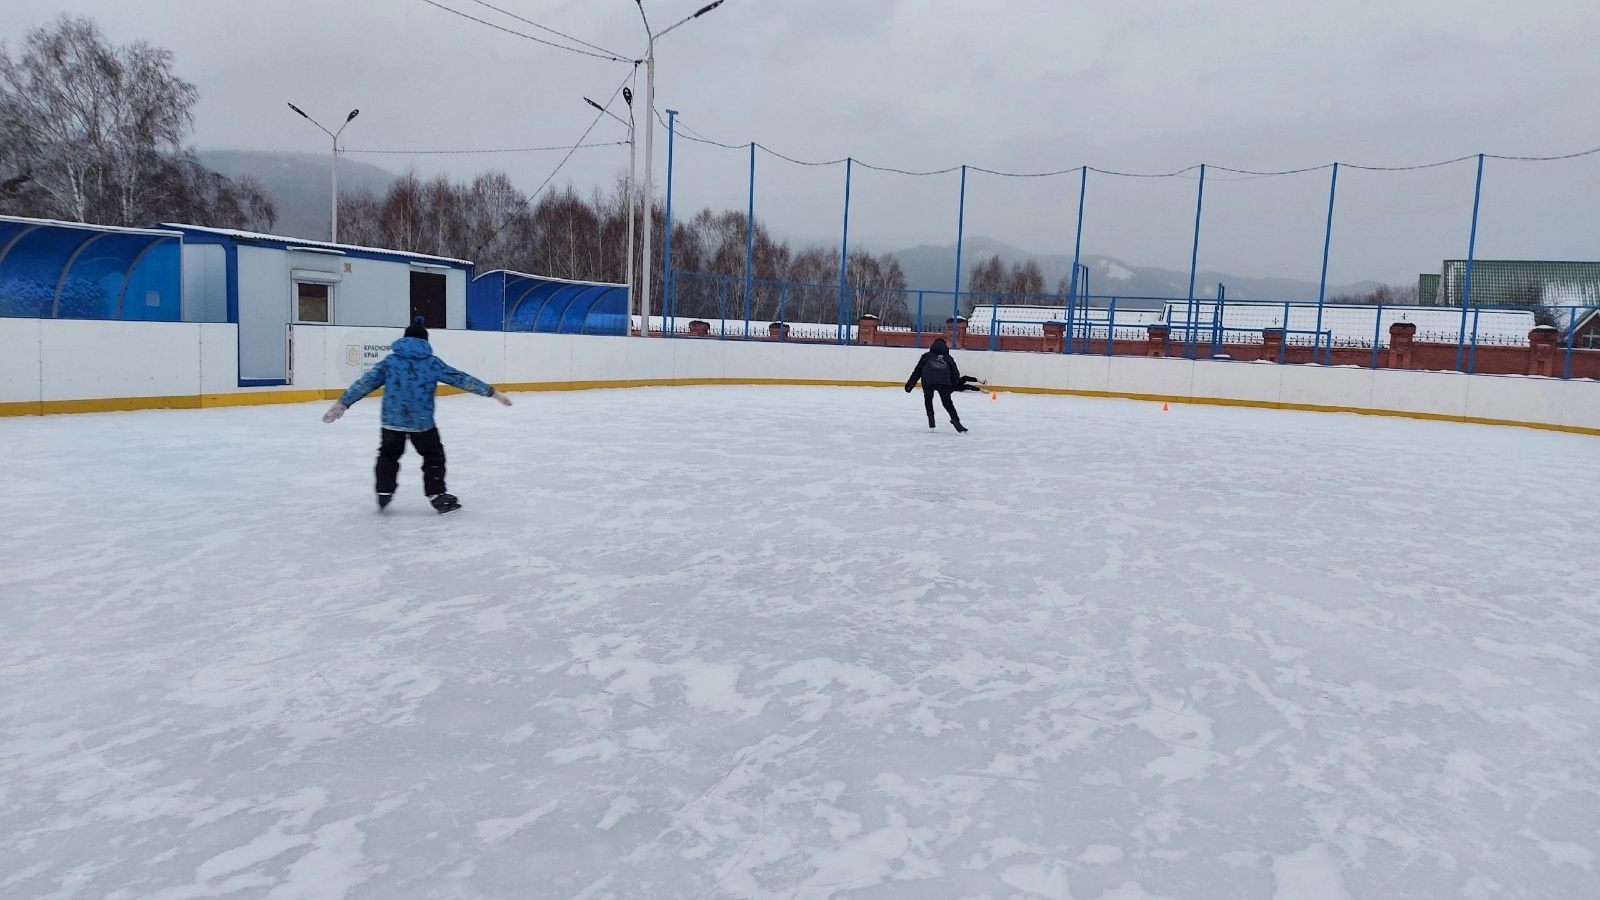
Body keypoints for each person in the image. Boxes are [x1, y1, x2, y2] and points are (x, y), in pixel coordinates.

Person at [322, 317, 512, 513]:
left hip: (391, 422)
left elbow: (365, 383)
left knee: (388, 455)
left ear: (404, 339)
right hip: (421, 423)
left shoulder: (390, 362)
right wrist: (491, 392)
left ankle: (384, 492)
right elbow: (461, 379)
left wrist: (343, 403)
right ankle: (436, 494)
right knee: (433, 455)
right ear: (425, 342)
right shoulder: (431, 363)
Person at [904, 337, 971, 433]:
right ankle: (956, 422)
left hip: (928, 382)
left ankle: (931, 418)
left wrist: (910, 384)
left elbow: (917, 371)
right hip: (943, 382)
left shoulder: (926, 356)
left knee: (928, 399)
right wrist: (953, 386)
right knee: (947, 403)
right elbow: (955, 373)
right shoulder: (948, 358)